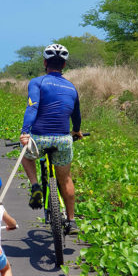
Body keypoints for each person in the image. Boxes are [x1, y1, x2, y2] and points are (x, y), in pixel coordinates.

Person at [19, 43, 83, 234]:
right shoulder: (72, 87)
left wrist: (25, 132)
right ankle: (71, 221)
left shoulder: (37, 82)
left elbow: (32, 107)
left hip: (40, 138)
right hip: (63, 139)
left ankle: (35, 185)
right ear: (64, 66)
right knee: (66, 179)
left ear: (45, 63)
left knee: (26, 155)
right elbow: (76, 115)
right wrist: (77, 131)